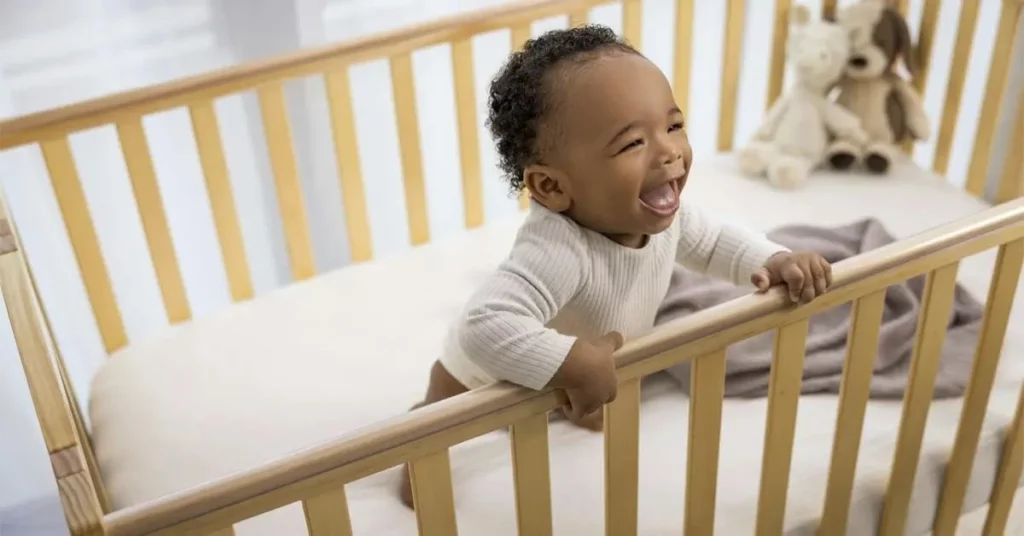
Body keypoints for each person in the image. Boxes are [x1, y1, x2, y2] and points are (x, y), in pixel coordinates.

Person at [399, 24, 832, 508]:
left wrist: (772, 259)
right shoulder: (559, 249)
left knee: (580, 386)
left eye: (673, 125)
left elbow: (713, 242)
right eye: (631, 144)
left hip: (582, 346)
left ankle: (568, 388)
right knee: (432, 434)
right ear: (551, 188)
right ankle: (411, 455)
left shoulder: (664, 216)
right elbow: (484, 327)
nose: (669, 151)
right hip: (477, 370)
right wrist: (572, 361)